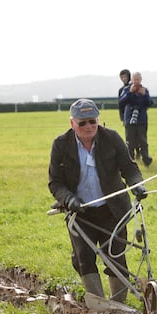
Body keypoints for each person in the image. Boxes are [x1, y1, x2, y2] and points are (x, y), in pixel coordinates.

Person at [48, 98, 148, 302]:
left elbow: (129, 169)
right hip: (80, 213)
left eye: (92, 121)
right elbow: (55, 183)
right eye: (82, 123)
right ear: (72, 123)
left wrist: (137, 185)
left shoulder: (112, 138)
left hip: (113, 211)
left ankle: (119, 304)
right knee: (83, 258)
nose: (88, 127)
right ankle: (97, 303)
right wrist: (68, 199)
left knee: (115, 255)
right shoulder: (61, 144)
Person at [119, 71, 153, 166]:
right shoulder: (126, 89)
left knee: (143, 140)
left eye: (138, 79)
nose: (136, 81)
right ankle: (130, 159)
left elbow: (150, 103)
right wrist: (130, 93)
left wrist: (145, 95)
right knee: (130, 141)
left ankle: (146, 159)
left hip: (141, 119)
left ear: (141, 80)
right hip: (130, 118)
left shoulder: (144, 90)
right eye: (135, 79)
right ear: (132, 80)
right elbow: (121, 102)